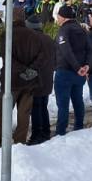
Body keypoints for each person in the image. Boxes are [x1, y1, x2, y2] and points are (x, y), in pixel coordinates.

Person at [0, 7, 45, 145]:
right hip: (29, 81)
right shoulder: (34, 35)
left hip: (11, 81)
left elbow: (8, 59)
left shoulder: (7, 35)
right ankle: (20, 141)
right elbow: (41, 56)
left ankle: (1, 140)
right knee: (24, 113)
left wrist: (24, 70)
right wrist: (30, 71)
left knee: (3, 111)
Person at [54, 5, 91, 136]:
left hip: (65, 71)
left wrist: (77, 67)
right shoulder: (82, 30)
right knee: (78, 100)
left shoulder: (64, 30)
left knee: (63, 104)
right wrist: (86, 65)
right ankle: (79, 126)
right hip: (79, 73)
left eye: (58, 16)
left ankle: (60, 131)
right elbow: (90, 49)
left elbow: (66, 51)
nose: (57, 18)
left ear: (63, 17)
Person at [26, 16, 55, 144]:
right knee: (43, 106)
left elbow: (32, 61)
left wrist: (26, 75)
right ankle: (46, 132)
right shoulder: (48, 39)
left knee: (36, 108)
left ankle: (36, 135)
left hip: (36, 79)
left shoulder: (32, 40)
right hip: (48, 78)